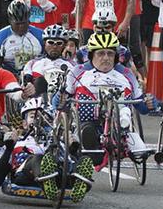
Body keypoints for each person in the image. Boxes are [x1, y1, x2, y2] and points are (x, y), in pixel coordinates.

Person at [0, 97, 94, 202]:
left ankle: (78, 181)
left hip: (59, 175)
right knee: (38, 158)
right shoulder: (18, 142)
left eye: (45, 118)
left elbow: (69, 161)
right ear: (24, 123)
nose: (39, 120)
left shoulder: (58, 142)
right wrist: (9, 148)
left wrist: (73, 148)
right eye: (33, 116)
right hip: (26, 175)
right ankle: (47, 180)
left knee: (81, 160)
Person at [64, 32, 150, 161]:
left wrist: (149, 104)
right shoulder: (77, 71)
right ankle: (89, 150)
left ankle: (130, 144)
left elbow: (141, 107)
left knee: (124, 115)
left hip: (119, 123)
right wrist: (60, 96)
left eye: (110, 54)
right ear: (92, 55)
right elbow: (60, 102)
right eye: (101, 53)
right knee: (88, 131)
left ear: (116, 56)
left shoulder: (127, 73)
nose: (106, 58)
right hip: (87, 122)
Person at [0, 0, 44, 74]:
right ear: (10, 21)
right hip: (9, 73)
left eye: (24, 23)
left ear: (29, 20)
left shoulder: (41, 35)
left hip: (35, 72)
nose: (21, 27)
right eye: (17, 24)